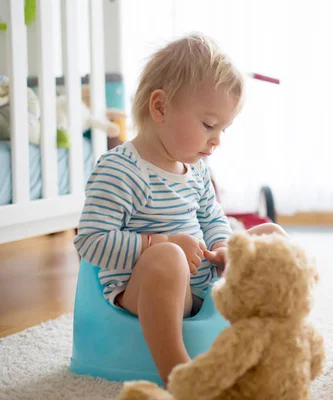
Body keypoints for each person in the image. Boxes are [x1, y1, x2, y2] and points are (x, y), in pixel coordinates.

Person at [73, 33, 287, 385]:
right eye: (208, 125)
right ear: (160, 107)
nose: (217, 139)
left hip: (202, 283)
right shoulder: (119, 170)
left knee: (270, 237)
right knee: (170, 257)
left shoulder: (197, 168)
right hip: (141, 291)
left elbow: (212, 216)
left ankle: (272, 340)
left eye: (223, 128)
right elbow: (91, 242)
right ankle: (178, 374)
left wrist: (222, 247)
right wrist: (158, 243)